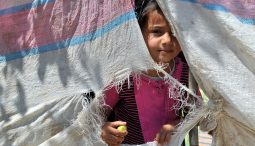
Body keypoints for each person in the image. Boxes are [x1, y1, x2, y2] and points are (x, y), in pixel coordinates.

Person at [101, 0, 189, 145]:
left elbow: (196, 114)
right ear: (139, 34)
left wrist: (176, 125)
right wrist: (103, 129)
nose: (167, 40)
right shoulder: (124, 76)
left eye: (175, 32)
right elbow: (98, 113)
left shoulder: (185, 73)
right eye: (157, 32)